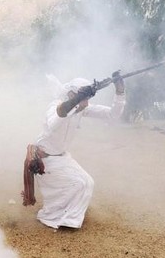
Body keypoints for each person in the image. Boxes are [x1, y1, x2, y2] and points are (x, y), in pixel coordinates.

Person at [22, 74, 126, 229]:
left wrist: (120, 91)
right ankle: (52, 217)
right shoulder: (56, 105)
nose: (87, 101)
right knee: (77, 184)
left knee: (87, 182)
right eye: (83, 96)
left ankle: (69, 219)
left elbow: (112, 114)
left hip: (62, 157)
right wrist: (76, 102)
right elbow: (55, 121)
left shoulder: (83, 109)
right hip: (44, 160)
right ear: (72, 95)